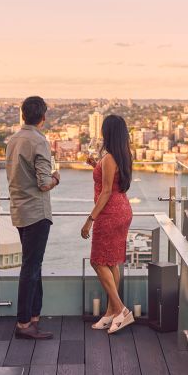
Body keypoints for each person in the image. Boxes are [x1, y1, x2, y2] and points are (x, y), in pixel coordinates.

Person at [6, 96, 60, 339]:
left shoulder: (13, 140)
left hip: (19, 210)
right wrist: (57, 178)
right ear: (43, 117)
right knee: (30, 267)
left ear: (23, 114)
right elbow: (44, 183)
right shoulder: (39, 141)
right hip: (37, 213)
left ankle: (34, 317)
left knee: (33, 264)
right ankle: (24, 323)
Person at [81, 114, 134, 334]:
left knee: (97, 261)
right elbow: (112, 180)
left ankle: (121, 310)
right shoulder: (122, 156)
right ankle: (111, 312)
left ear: (107, 133)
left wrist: (89, 220)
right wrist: (96, 164)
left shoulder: (110, 158)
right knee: (111, 261)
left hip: (109, 213)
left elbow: (105, 192)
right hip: (122, 209)